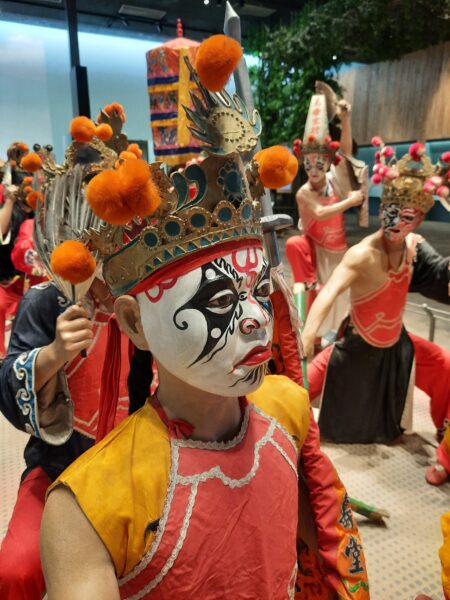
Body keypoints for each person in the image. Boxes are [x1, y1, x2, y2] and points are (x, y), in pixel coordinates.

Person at [40, 35, 369, 600]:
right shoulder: (88, 504)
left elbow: (331, 555)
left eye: (258, 291)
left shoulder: (288, 408)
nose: (254, 319)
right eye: (219, 301)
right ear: (134, 322)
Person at [0, 130, 131, 599]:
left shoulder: (142, 298)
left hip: (140, 464)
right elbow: (7, 383)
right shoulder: (44, 302)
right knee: (15, 571)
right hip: (59, 467)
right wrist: (54, 354)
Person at [302, 142, 450, 462]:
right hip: (358, 343)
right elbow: (329, 292)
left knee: (442, 364)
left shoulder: (415, 248)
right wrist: (306, 335)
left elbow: (443, 276)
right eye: (389, 212)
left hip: (397, 346)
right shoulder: (361, 255)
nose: (394, 222)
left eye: (406, 216)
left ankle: (446, 438)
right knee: (300, 390)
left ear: (420, 219)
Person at [286, 82, 368, 339]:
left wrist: (345, 118)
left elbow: (345, 152)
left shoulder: (335, 179)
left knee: (341, 299)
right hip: (317, 252)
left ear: (326, 162)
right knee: (317, 295)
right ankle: (315, 339)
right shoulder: (303, 193)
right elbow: (321, 213)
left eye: (319, 162)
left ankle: (337, 339)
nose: (313, 168)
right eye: (308, 164)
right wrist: (350, 201)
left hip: (339, 249)